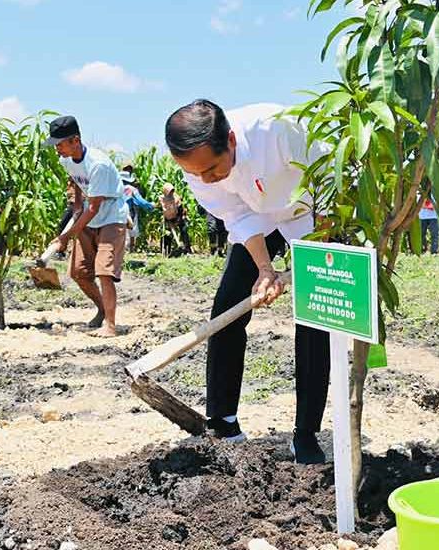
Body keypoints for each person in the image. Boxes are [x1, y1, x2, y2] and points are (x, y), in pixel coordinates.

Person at [165, 99, 330, 464]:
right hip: (258, 218)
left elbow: (329, 181)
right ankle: (222, 421)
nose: (205, 179)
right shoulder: (197, 169)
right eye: (196, 174)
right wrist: (265, 269)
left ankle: (305, 433)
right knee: (228, 305)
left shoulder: (280, 129)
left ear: (233, 141)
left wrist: (313, 255)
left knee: (316, 316)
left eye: (212, 169)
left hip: (312, 214)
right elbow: (236, 215)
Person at [46, 115, 129, 338]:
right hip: (88, 218)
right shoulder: (66, 160)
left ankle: (110, 326)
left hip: (111, 217)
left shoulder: (98, 164)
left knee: (104, 271)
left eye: (60, 144)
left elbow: (94, 207)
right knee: (79, 272)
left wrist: (66, 236)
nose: (57, 150)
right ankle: (102, 309)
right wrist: (75, 209)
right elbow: (77, 186)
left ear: (75, 140)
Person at [120, 167, 154, 250]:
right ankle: (129, 249)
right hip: (129, 211)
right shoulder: (131, 189)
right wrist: (151, 205)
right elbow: (140, 201)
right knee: (131, 230)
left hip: (116, 213)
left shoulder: (114, 188)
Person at [159, 183, 192, 256]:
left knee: (184, 230)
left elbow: (180, 209)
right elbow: (160, 208)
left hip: (178, 217)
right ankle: (165, 251)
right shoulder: (161, 198)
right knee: (166, 234)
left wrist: (178, 220)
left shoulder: (176, 198)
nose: (171, 193)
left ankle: (187, 249)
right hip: (167, 218)